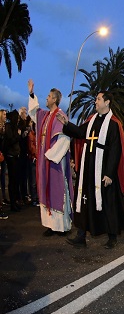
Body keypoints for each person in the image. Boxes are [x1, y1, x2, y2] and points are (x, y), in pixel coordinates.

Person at [58, 92, 124, 249]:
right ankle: (81, 236)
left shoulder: (114, 124)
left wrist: (109, 173)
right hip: (89, 168)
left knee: (108, 203)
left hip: (104, 170)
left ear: (107, 102)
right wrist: (66, 123)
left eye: (99, 99)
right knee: (85, 200)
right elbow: (80, 133)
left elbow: (115, 150)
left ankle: (112, 237)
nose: (95, 101)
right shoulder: (92, 120)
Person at [28, 80, 73, 235]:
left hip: (55, 161)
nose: (46, 98)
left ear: (55, 99)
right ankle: (51, 225)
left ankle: (61, 226)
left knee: (58, 190)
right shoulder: (45, 115)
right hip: (45, 161)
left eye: (48, 96)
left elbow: (65, 138)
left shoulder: (60, 115)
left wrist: (51, 155)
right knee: (46, 189)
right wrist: (31, 94)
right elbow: (34, 112)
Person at [3, 110, 22, 212]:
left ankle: (15, 201)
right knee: (12, 180)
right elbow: (11, 140)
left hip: (16, 155)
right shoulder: (9, 127)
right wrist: (18, 135)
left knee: (15, 180)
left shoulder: (14, 127)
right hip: (11, 156)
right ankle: (12, 203)